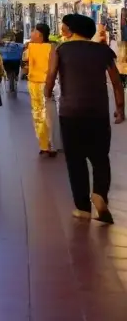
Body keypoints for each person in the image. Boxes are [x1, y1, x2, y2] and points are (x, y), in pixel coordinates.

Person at [46, 14, 125, 224]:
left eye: (64, 26)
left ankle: (83, 208)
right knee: (100, 158)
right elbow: (117, 83)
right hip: (98, 112)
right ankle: (99, 194)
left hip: (70, 112)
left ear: (71, 29)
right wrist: (120, 109)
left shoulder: (61, 49)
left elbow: (51, 75)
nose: (62, 29)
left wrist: (46, 95)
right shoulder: (102, 51)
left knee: (75, 160)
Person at [23, 23, 57, 157]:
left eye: (33, 31)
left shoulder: (50, 47)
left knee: (45, 115)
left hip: (44, 84)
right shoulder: (31, 46)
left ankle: (50, 144)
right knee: (38, 114)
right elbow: (25, 62)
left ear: (40, 35)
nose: (31, 34)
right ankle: (44, 144)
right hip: (33, 83)